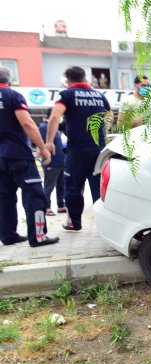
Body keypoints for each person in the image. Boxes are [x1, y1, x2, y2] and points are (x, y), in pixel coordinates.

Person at [46, 66, 112, 231]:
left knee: (73, 186)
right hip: (99, 150)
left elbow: (55, 116)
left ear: (68, 81)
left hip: (77, 150)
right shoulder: (99, 95)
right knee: (99, 187)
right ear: (85, 78)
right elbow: (109, 116)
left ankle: (74, 222)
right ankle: (105, 226)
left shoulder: (66, 95)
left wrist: (49, 142)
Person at [0, 65, 59, 247]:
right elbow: (27, 123)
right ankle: (38, 236)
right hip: (18, 156)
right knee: (35, 196)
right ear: (8, 81)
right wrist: (43, 147)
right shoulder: (12, 96)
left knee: (4, 197)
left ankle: (8, 236)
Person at [38, 108, 66, 215]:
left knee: (61, 185)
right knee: (49, 186)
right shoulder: (44, 126)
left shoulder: (56, 127)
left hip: (60, 161)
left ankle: (61, 205)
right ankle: (46, 207)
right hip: (51, 162)